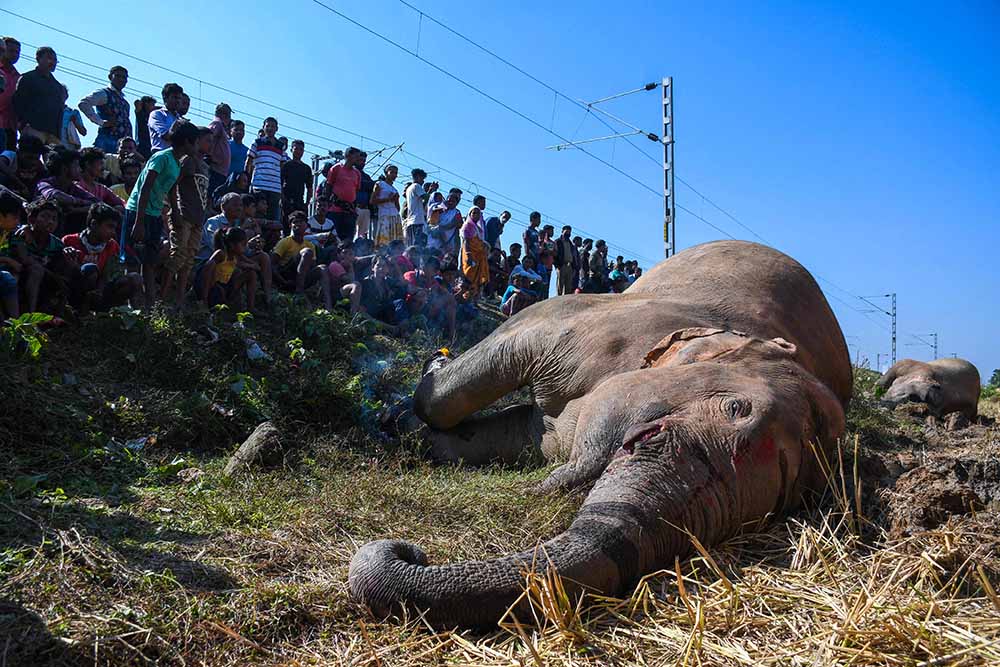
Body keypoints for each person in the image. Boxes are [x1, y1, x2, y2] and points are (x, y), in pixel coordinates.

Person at [125, 119, 200, 309]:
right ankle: (130, 304)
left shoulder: (176, 163)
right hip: (138, 212)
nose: (197, 146)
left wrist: (175, 211)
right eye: (195, 142)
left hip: (155, 213)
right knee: (133, 260)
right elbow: (145, 187)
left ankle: (150, 306)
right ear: (186, 142)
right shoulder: (162, 157)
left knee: (149, 261)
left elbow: (171, 189)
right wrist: (139, 221)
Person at [161, 125, 212, 308]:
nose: (210, 144)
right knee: (177, 257)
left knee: (188, 261)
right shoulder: (187, 161)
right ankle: (160, 300)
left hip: (198, 219)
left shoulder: (205, 166)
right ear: (196, 141)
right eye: (207, 140)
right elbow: (173, 185)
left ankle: (179, 302)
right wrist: (174, 211)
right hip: (184, 216)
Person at [62, 203, 140, 311]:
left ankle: (124, 313)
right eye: (109, 226)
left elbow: (109, 274)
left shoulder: (112, 245)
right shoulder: (69, 241)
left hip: (101, 291)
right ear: (94, 224)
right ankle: (81, 313)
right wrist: (78, 266)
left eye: (114, 228)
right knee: (90, 269)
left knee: (134, 278)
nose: (113, 232)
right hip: (75, 293)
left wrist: (99, 290)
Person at [11, 198, 70, 313]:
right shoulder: (21, 234)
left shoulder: (57, 244)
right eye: (45, 216)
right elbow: (25, 260)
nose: (50, 222)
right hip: (19, 274)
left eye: (54, 219)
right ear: (31, 219)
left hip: (43, 281)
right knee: (36, 270)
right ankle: (31, 315)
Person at [270, 211, 332, 309]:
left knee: (323, 268)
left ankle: (328, 306)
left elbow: (312, 266)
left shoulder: (310, 245)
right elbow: (272, 264)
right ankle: (299, 293)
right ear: (290, 225)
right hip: (287, 276)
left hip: (302, 278)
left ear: (306, 225)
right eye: (295, 222)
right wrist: (282, 281)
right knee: (307, 252)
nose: (297, 224)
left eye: (300, 222)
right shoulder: (285, 242)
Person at [36, 148, 100, 235]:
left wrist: (76, 210)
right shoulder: (45, 183)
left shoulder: (74, 188)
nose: (80, 170)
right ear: (65, 168)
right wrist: (77, 201)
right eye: (76, 165)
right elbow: (55, 196)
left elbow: (97, 203)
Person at [12, 46, 64, 146]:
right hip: (33, 128)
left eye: (55, 60)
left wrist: (58, 133)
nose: (52, 62)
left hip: (53, 133)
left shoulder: (58, 86)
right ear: (38, 59)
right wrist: (23, 124)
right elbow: (18, 102)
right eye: (49, 58)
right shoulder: (28, 78)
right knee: (29, 158)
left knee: (56, 160)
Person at [196, 226, 256, 310]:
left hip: (226, 287)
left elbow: (247, 264)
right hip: (213, 290)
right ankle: (205, 302)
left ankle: (250, 308)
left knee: (250, 273)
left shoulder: (236, 255)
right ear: (232, 245)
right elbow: (207, 269)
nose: (245, 247)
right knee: (212, 267)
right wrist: (204, 298)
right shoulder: (221, 254)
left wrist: (252, 265)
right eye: (243, 244)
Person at [244, 117, 287, 227]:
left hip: (275, 188)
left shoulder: (280, 146)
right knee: (257, 218)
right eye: (267, 126)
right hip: (259, 186)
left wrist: (281, 187)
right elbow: (249, 162)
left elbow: (282, 167)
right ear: (263, 127)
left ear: (277, 129)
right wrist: (247, 180)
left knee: (273, 220)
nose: (270, 128)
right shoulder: (257, 143)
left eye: (272, 126)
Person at [77, 65, 132, 153]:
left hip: (122, 145)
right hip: (107, 142)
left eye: (124, 77)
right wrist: (101, 122)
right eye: (117, 76)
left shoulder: (125, 103)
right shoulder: (104, 93)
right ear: (110, 77)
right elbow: (84, 104)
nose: (121, 79)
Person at [323, 146, 361, 241]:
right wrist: (327, 204)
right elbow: (328, 186)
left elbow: (356, 191)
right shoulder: (336, 168)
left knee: (348, 239)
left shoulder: (357, 173)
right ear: (348, 155)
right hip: (335, 209)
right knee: (334, 238)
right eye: (356, 156)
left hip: (349, 211)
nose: (358, 159)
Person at [0, 188, 23, 317]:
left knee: (10, 278)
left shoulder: (5, 231)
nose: (18, 221)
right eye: (15, 217)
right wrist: (8, 260)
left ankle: (15, 324)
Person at [460, 205, 489, 298]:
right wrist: (469, 255)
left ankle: (473, 299)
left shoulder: (479, 228)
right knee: (468, 275)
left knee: (477, 278)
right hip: (470, 254)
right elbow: (466, 241)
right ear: (470, 214)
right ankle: (463, 297)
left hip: (479, 256)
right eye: (474, 213)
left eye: (478, 213)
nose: (476, 215)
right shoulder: (467, 225)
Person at [402, 168, 436, 247]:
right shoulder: (416, 186)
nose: (423, 181)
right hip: (417, 221)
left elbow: (423, 201)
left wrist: (430, 191)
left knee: (412, 246)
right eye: (422, 178)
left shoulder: (409, 189)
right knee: (418, 247)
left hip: (411, 222)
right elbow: (426, 198)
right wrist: (432, 191)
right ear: (417, 177)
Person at [281, 139, 312, 222]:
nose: (298, 151)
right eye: (296, 149)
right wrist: (283, 199)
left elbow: (309, 188)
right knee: (286, 225)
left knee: (301, 224)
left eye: (301, 149)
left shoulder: (306, 168)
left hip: (300, 202)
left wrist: (307, 203)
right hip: (287, 200)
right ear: (291, 150)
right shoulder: (286, 165)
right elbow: (280, 183)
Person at [147, 83, 184, 152]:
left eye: (180, 98)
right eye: (175, 97)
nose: (178, 101)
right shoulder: (157, 114)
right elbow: (166, 136)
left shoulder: (180, 119)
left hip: (176, 158)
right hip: (161, 155)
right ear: (165, 98)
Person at [372, 165, 402, 247]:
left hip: (395, 216)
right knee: (383, 240)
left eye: (396, 173)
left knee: (394, 240)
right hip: (384, 215)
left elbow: (398, 208)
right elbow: (372, 201)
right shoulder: (380, 184)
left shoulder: (395, 189)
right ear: (386, 173)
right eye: (391, 172)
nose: (394, 175)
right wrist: (388, 199)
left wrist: (396, 200)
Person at [206, 103, 232, 195]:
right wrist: (209, 156)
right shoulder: (217, 124)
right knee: (209, 196)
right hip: (215, 168)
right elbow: (208, 137)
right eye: (229, 115)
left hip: (220, 170)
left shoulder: (222, 126)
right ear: (224, 114)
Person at [0, 37, 21, 152]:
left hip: (11, 127)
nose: (15, 54)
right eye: (11, 50)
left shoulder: (18, 77)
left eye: (17, 52)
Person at [433, 189, 463, 255]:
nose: (451, 202)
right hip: (434, 241)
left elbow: (458, 224)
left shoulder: (457, 213)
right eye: (450, 200)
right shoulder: (438, 208)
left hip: (448, 244)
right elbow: (432, 222)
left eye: (454, 200)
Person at [354, 151, 375, 240]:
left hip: (365, 208)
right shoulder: (352, 173)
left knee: (363, 235)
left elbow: (372, 187)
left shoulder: (366, 176)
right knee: (352, 232)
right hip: (355, 207)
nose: (362, 163)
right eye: (360, 160)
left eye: (364, 160)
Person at [58, 86, 87, 150]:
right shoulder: (50, 111)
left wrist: (75, 122)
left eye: (62, 93)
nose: (60, 95)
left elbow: (83, 132)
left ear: (66, 96)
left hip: (70, 148)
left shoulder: (73, 112)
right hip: (54, 146)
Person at [554, 224, 579, 296]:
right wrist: (558, 265)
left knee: (568, 286)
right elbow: (555, 254)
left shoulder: (570, 243)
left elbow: (573, 256)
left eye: (569, 232)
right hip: (561, 265)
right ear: (562, 231)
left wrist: (574, 267)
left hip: (570, 266)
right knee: (560, 285)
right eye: (566, 231)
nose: (568, 233)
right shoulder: (558, 241)